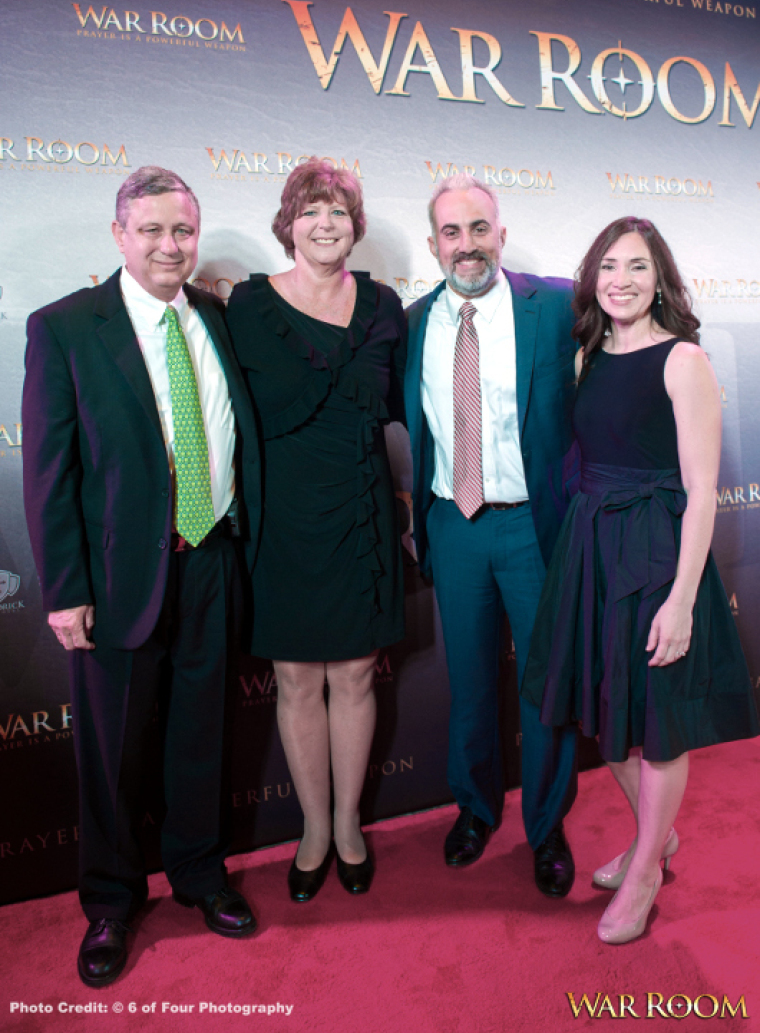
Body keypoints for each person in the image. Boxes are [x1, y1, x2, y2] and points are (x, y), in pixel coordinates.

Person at [22, 167, 262, 987]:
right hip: (119, 578)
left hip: (212, 561)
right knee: (113, 751)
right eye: (153, 230)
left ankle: (199, 874)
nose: (170, 245)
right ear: (119, 235)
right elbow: (49, 473)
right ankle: (111, 902)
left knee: (202, 735)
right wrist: (63, 588)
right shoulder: (64, 328)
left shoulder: (223, 320)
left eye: (184, 231)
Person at [522, 216, 759, 943]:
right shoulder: (588, 352)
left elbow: (699, 486)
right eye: (609, 267)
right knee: (606, 710)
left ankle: (647, 866)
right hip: (592, 546)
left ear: (661, 278)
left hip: (656, 553)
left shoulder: (683, 359)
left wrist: (684, 598)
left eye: (638, 267)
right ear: (593, 277)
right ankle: (654, 836)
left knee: (655, 725)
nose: (621, 280)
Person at [225, 158, 406, 902]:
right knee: (297, 679)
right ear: (287, 222)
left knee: (357, 673)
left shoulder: (384, 302)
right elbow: (246, 410)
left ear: (355, 225)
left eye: (338, 211)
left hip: (360, 510)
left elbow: (383, 400)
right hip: (284, 515)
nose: (325, 224)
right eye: (311, 211)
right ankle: (312, 828)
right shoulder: (246, 303)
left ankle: (350, 825)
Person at [405, 173, 578, 896]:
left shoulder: (560, 304)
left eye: (479, 228)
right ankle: (475, 808)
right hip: (455, 523)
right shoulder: (413, 321)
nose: (467, 244)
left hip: (535, 526)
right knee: (470, 682)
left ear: (500, 234)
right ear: (434, 243)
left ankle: (547, 825)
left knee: (547, 686)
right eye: (452, 231)